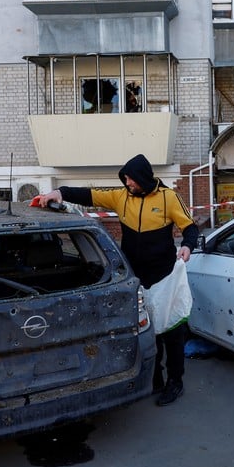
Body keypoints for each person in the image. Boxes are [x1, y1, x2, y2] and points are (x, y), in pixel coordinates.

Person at [37, 154, 198, 406]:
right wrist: (59, 192)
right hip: (136, 277)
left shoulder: (168, 198)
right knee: (147, 331)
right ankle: (155, 379)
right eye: (125, 179)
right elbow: (89, 195)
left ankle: (175, 382)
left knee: (171, 332)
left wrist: (188, 245)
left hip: (165, 276)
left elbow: (190, 227)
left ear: (143, 178)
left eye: (131, 179)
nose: (127, 183)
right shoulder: (120, 196)